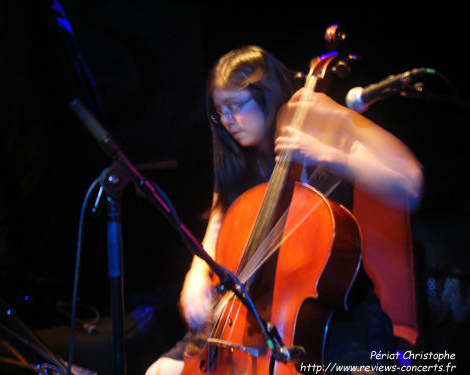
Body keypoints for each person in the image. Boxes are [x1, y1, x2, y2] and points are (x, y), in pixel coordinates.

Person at [145, 45, 424, 375]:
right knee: (159, 370)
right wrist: (196, 273)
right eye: (220, 111)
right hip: (251, 309)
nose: (227, 121)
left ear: (266, 94)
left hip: (332, 309)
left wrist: (326, 154)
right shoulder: (235, 153)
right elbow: (219, 220)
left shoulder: (314, 119)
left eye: (235, 106)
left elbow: (408, 185)